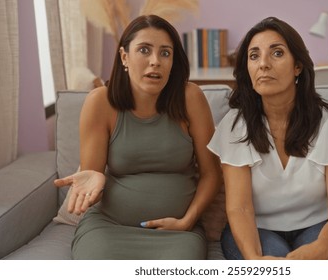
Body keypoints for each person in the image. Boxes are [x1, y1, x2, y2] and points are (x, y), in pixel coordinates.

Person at [54, 15, 221, 260]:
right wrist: (95, 181)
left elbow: (211, 174)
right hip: (109, 227)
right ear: (124, 57)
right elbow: (91, 180)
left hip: (175, 233)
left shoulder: (191, 98)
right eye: (144, 50)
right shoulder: (100, 102)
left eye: (165, 53)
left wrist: (187, 221)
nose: (155, 61)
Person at [207, 17, 328, 260]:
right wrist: (255, 261)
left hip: (320, 227)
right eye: (254, 56)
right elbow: (239, 208)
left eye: (277, 53)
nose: (263, 64)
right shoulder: (235, 125)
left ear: (297, 66)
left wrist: (323, 248)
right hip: (257, 229)